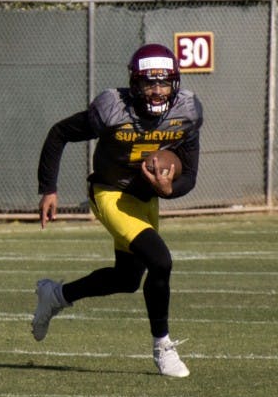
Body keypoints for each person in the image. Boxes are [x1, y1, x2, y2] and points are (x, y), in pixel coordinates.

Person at [33, 43, 204, 378]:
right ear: (134, 83)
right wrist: (48, 189)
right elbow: (59, 134)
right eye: (148, 83)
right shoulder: (113, 108)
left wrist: (169, 190)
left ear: (176, 83)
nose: (157, 91)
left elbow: (191, 175)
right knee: (161, 260)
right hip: (110, 192)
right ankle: (163, 347)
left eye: (164, 82)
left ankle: (55, 295)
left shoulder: (187, 112)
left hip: (144, 198)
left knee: (127, 279)